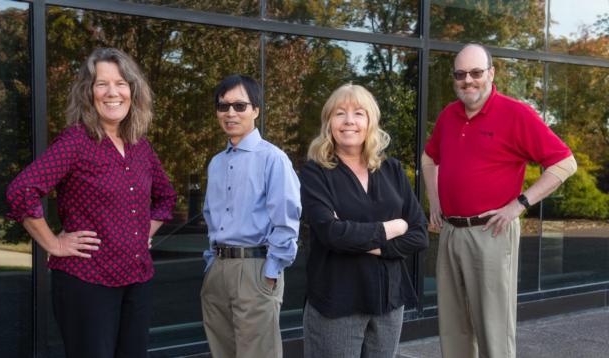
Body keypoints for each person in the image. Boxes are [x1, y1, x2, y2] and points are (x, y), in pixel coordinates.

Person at [6, 48, 176, 358]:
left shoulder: (140, 146)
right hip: (87, 282)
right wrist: (54, 244)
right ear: (89, 92)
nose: (113, 92)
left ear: (133, 90)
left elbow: (167, 198)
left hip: (138, 280)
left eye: (121, 83)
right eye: (102, 84)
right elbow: (22, 191)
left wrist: (142, 232)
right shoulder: (76, 141)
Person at [422, 43, 577, 358]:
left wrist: (519, 203)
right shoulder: (448, 116)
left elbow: (565, 163)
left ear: (491, 73)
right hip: (451, 232)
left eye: (476, 72)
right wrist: (434, 200)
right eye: (461, 74)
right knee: (453, 329)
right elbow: (428, 159)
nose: (469, 80)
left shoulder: (515, 113)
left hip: (491, 232)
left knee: (493, 329)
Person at [299, 84, 429, 358]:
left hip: (388, 301)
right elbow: (331, 234)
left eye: (359, 113)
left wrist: (362, 241)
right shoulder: (316, 173)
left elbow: (419, 234)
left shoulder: (391, 169)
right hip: (337, 301)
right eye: (339, 113)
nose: (349, 121)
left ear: (371, 121)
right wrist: (393, 228)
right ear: (328, 122)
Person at [200, 74, 301, 358]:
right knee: (223, 352)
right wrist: (211, 265)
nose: (230, 113)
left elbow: (286, 219)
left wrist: (271, 271)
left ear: (256, 110)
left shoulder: (273, 159)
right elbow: (211, 216)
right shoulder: (217, 163)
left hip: (256, 269)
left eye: (240, 106)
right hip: (218, 270)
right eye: (223, 106)